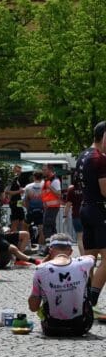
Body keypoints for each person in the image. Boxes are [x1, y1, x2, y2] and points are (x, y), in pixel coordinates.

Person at [28, 234, 94, 337]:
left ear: (50, 250)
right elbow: (92, 257)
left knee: (41, 285)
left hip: (52, 328)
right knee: (86, 276)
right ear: (71, 251)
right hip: (81, 326)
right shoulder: (83, 263)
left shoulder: (40, 269)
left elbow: (33, 307)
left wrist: (45, 262)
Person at [75, 121, 106, 309]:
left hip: (85, 208)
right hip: (99, 209)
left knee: (89, 260)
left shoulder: (83, 155)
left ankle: (83, 299)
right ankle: (91, 301)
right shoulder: (100, 158)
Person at [41, 163, 62, 242]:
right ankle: (55, 245)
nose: (43, 171)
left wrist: (50, 187)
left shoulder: (55, 180)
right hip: (49, 207)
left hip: (52, 207)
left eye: (45, 170)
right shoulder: (48, 180)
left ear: (50, 170)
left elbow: (58, 194)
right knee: (51, 227)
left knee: (47, 227)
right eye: (42, 170)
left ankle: (49, 246)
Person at [23, 170, 46, 245]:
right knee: (41, 231)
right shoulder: (45, 185)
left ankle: (27, 244)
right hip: (41, 211)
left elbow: (25, 200)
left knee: (25, 227)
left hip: (31, 211)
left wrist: (28, 209)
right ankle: (41, 248)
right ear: (41, 177)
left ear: (34, 177)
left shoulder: (28, 187)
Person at [64, 180, 84, 255]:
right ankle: (91, 256)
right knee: (90, 237)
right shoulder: (87, 187)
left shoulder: (71, 189)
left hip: (76, 215)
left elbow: (68, 204)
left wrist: (65, 216)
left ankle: (83, 256)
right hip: (88, 214)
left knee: (79, 238)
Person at [6, 164, 26, 232]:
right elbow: (7, 191)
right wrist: (19, 191)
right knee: (15, 221)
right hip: (14, 202)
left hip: (18, 201)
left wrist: (20, 192)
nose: (19, 172)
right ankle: (13, 237)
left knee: (22, 220)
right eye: (17, 171)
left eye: (20, 171)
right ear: (13, 170)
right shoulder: (11, 179)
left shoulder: (17, 179)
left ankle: (20, 237)